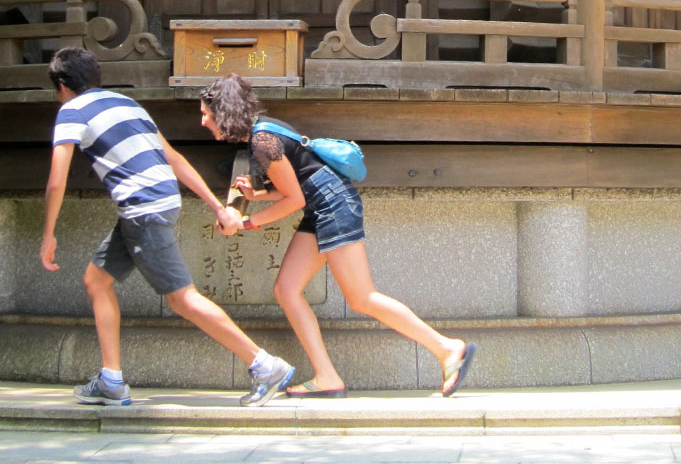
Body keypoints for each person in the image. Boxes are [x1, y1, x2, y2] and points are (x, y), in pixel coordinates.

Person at [40, 48, 295, 407]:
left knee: (182, 298)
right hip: (156, 203)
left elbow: (56, 180)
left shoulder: (71, 110)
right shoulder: (126, 103)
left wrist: (48, 234)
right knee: (96, 280)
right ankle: (111, 380)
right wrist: (217, 207)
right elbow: (173, 159)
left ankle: (264, 365)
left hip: (142, 210)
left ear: (63, 85)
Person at [200, 74, 477, 399]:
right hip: (321, 207)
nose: (203, 121)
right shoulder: (262, 131)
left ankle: (447, 349)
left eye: (206, 113)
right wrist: (258, 196)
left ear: (225, 113)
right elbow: (298, 183)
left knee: (362, 297)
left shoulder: (263, 141)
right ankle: (327, 376)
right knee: (287, 289)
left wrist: (246, 223)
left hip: (333, 206)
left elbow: (295, 199)